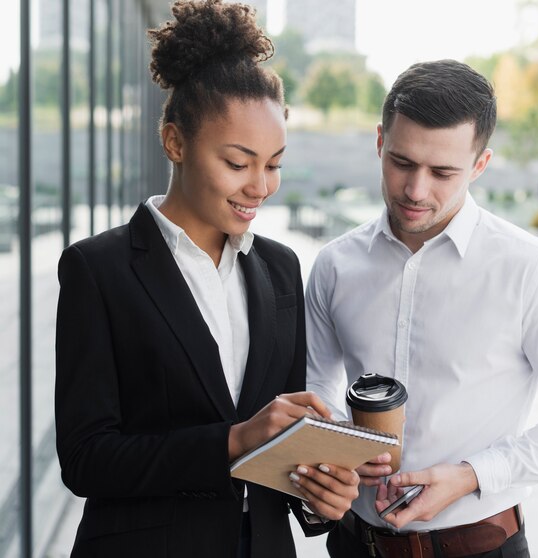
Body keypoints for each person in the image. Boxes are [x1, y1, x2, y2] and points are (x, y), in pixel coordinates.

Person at [54, 2, 359, 557]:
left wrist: (319, 495)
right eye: (239, 163)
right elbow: (85, 458)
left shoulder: (280, 268)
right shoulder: (98, 270)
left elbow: (282, 444)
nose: (261, 186)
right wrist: (232, 441)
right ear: (175, 143)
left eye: (274, 163)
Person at [305, 59, 538, 558]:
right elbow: (318, 385)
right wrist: (336, 445)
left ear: (480, 165)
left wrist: (473, 476)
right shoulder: (334, 265)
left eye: (442, 172)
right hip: (352, 546)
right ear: (379, 142)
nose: (416, 190)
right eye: (402, 162)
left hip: (481, 547)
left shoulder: (535, 271)